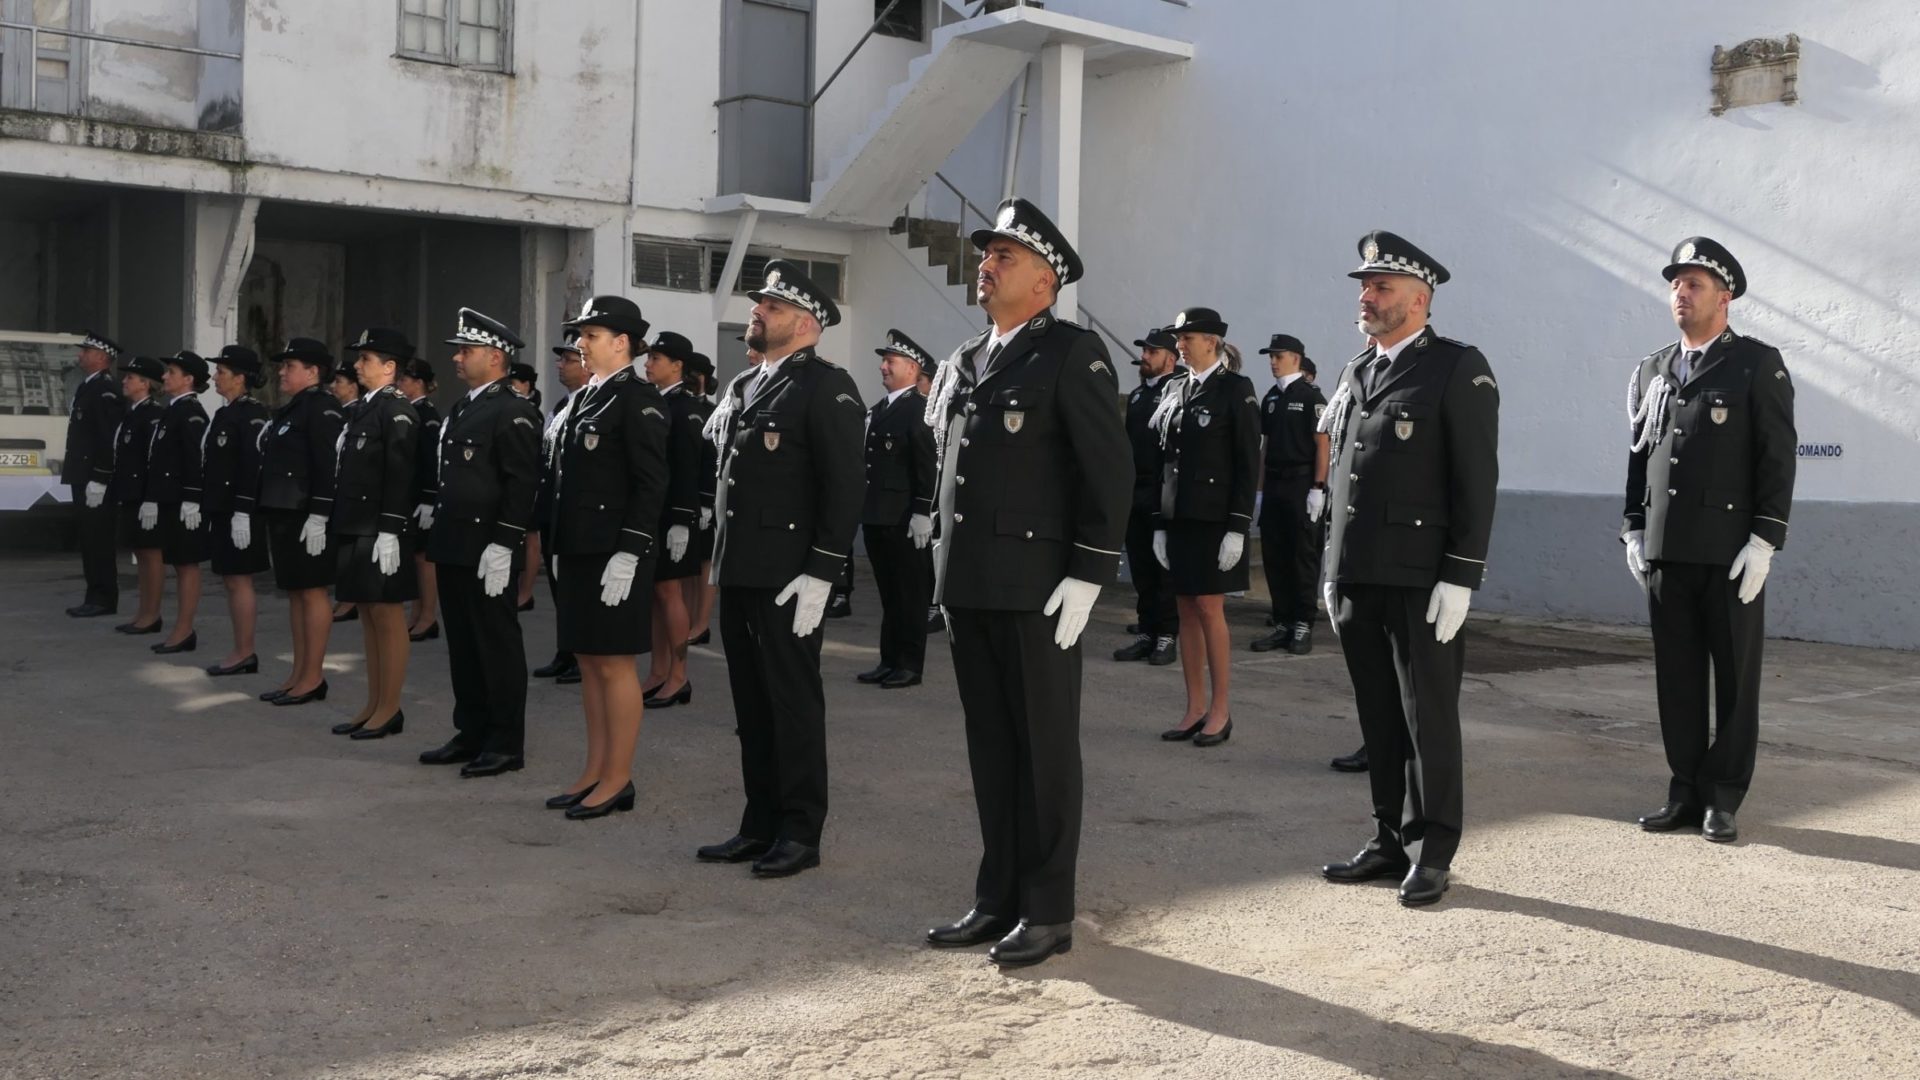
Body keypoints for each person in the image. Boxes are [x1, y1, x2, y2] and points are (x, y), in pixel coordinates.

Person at [922, 197, 1130, 967]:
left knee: (1043, 752)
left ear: (1045, 281)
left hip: (1038, 586)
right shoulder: (969, 358)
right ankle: (997, 895)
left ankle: (1047, 909)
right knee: (992, 748)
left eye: (1004, 256)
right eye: (986, 254)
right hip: (972, 583)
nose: (986, 264)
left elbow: (1108, 472)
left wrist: (1088, 573)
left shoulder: (1073, 354)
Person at [1317, 231, 1500, 907]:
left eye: (1381, 286)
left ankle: (1432, 849)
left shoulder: (1457, 368)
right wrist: (1331, 566)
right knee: (1379, 716)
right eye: (1364, 286)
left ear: (1419, 299)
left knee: (1427, 717)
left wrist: (1461, 574)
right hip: (1360, 572)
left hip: (1422, 578)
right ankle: (1388, 837)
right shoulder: (1355, 372)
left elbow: (1475, 479)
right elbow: (1343, 477)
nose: (1366, 297)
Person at [1624, 238, 1795, 845]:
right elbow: (1640, 454)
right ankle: (1684, 788)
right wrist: (1634, 526)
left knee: (1735, 679)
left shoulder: (1755, 363)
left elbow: (1777, 457)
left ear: (1724, 297)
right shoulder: (1654, 369)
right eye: (1675, 283)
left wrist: (1765, 539)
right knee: (1677, 677)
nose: (1680, 293)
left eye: (1693, 284)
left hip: (1729, 554)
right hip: (1669, 551)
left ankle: (1723, 796)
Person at [696, 261, 864, 878]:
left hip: (790, 576)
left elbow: (844, 486)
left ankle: (799, 831)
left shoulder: (827, 386)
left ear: (803, 321)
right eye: (758, 304)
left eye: (769, 306)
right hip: (743, 568)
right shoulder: (744, 387)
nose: (756, 312)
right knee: (752, 704)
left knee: (792, 704)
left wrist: (823, 570)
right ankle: (758, 821)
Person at [545, 296, 669, 817]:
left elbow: (650, 483)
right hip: (577, 549)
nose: (580, 343)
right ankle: (595, 769)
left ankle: (618, 778)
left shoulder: (637, 400)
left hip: (614, 554)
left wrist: (630, 551)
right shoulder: (582, 398)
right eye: (581, 334)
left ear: (622, 343)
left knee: (616, 666)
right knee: (591, 663)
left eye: (591, 335)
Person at [417, 308, 542, 778]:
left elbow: (521, 482)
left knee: (496, 644)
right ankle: (470, 730)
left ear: (494, 357)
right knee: (464, 645)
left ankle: (506, 741)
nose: (456, 358)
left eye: (465, 350)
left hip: (488, 545)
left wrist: (505, 542)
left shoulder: (512, 410)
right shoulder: (466, 406)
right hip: (455, 542)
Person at [1151, 309, 1259, 747]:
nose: (1180, 344)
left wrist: (1238, 525)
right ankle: (1194, 707)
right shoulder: (1176, 388)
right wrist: (1159, 522)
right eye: (1179, 337)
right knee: (1185, 610)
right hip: (1180, 517)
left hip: (1216, 520)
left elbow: (1248, 462)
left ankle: (1220, 709)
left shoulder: (1236, 390)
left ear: (1212, 342)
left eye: (1188, 337)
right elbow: (1164, 462)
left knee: (1210, 609)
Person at [326, 328, 421, 740]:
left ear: (390, 367)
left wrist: (390, 530)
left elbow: (401, 474)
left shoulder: (396, 411)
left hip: (381, 529)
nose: (357, 365)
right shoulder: (363, 409)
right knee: (367, 613)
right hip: (356, 525)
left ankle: (390, 707)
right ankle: (373, 702)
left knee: (387, 615)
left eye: (366, 359)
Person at [258, 338, 348, 705]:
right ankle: (298, 673)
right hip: (285, 513)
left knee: (312, 593)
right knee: (296, 594)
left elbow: (329, 464)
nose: (282, 371)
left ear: (313, 372)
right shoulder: (295, 408)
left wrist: (320, 513)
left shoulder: (322, 408)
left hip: (307, 515)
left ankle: (313, 677)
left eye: (289, 366)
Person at [854, 329, 938, 689]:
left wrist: (923, 510)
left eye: (890, 362)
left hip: (906, 519)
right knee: (889, 594)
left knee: (911, 594)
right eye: (883, 361)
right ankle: (889, 659)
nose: (882, 367)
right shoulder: (879, 410)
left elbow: (928, 465)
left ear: (911, 367)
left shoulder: (919, 409)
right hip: (878, 515)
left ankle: (909, 663)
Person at [1251, 334, 1330, 654]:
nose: (1272, 361)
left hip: (1301, 484)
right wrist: (1258, 491)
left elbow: (1321, 444)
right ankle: (1282, 622)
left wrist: (1318, 488)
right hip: (1274, 484)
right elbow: (1265, 445)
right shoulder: (1271, 397)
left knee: (1302, 557)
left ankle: (1302, 624)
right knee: (1275, 555)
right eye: (1271, 356)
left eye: (1278, 356)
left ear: (1296, 358)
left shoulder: (1311, 396)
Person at [639, 329, 704, 708]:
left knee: (670, 593)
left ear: (677, 366)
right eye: (647, 359)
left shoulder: (684, 408)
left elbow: (686, 467)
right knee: (654, 596)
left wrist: (682, 518)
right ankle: (658, 671)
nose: (648, 365)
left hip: (674, 515)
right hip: (653, 514)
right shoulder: (656, 402)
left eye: (656, 360)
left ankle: (679, 677)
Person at [201, 345, 271, 676]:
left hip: (240, 510)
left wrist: (244, 510)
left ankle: (245, 652)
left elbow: (252, 466)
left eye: (222, 372)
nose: (215, 377)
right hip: (223, 509)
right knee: (231, 579)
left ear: (241, 379)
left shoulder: (251, 414)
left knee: (239, 580)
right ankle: (241, 649)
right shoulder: (226, 413)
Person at [1114, 326, 1182, 666]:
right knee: (1141, 563)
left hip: (1162, 489)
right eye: (1144, 350)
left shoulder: (1178, 391)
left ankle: (1167, 633)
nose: (1144, 356)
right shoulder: (1140, 395)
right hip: (1136, 489)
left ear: (1170, 358)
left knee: (1163, 568)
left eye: (1152, 352)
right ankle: (1147, 629)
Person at [142, 351, 213, 655]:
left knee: (187, 565)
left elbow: (196, 460)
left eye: (171, 372)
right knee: (178, 563)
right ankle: (180, 628)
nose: (164, 377)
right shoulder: (173, 411)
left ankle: (184, 630)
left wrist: (193, 498)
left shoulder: (191, 413)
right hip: (171, 499)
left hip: (186, 502)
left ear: (189, 380)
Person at [532, 335, 591, 683]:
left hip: (574, 514)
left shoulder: (589, 404)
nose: (560, 365)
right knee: (559, 587)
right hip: (552, 511)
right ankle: (565, 650)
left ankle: (581, 655)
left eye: (568, 359)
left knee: (575, 590)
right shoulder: (560, 406)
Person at [64, 331, 127, 618]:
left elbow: (108, 437)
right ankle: (94, 594)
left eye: (86, 351)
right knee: (88, 538)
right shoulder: (88, 387)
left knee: (98, 538)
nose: (81, 355)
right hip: (83, 475)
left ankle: (103, 597)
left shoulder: (105, 390)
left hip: (95, 479)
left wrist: (101, 477)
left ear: (102, 358)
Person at [108, 356, 165, 635]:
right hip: (131, 494)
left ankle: (151, 614)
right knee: (140, 554)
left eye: (131, 377)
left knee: (151, 554)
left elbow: (155, 460)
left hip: (145, 495)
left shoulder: (152, 415)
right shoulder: (133, 413)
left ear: (145, 384)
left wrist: (151, 497)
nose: (124, 381)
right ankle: (143, 612)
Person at [398, 356, 443, 643]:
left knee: (425, 559)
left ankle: (428, 617)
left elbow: (431, 461)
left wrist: (429, 498)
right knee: (414, 559)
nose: (400, 384)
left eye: (404, 380)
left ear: (418, 384)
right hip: (409, 496)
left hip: (421, 497)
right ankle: (416, 614)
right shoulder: (408, 411)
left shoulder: (426, 415)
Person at [682, 352, 719, 647]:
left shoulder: (712, 410)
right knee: (685, 565)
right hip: (683, 494)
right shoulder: (676, 406)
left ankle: (701, 623)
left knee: (705, 563)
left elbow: (713, 457)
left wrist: (707, 500)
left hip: (704, 497)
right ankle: (687, 620)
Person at [327, 367, 364, 625]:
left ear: (353, 386)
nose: (333, 386)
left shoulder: (355, 413)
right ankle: (346, 596)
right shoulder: (344, 413)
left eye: (339, 382)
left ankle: (351, 599)